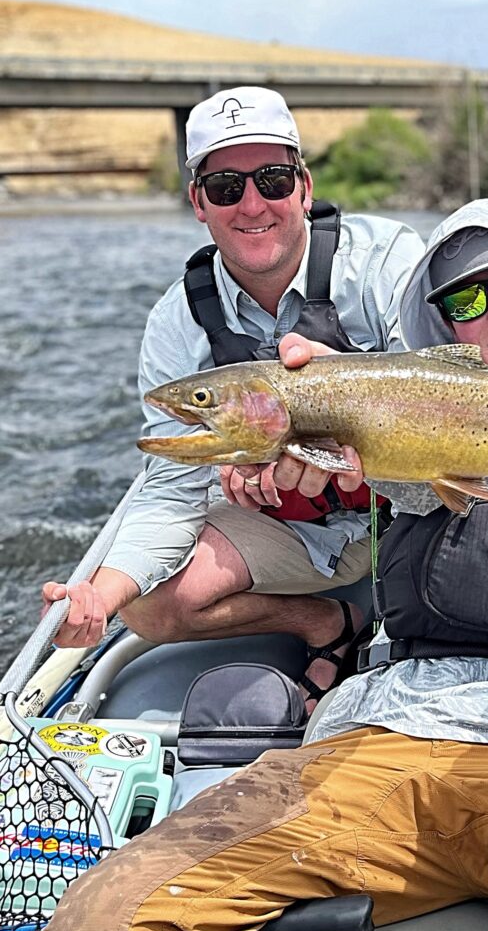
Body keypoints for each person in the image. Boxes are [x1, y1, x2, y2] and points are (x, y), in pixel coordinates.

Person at [44, 198, 488, 931]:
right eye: (467, 298)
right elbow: (385, 452)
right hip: (381, 745)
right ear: (441, 328)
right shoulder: (411, 425)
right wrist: (316, 412)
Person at [40, 86, 424, 707]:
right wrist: (95, 600)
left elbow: (448, 391)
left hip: (414, 510)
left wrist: (349, 399)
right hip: (297, 533)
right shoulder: (176, 323)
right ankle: (327, 623)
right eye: (225, 188)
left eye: (272, 180)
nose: (252, 204)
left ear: (304, 187)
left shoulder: (388, 264)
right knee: (144, 606)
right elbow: (170, 489)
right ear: (198, 202)